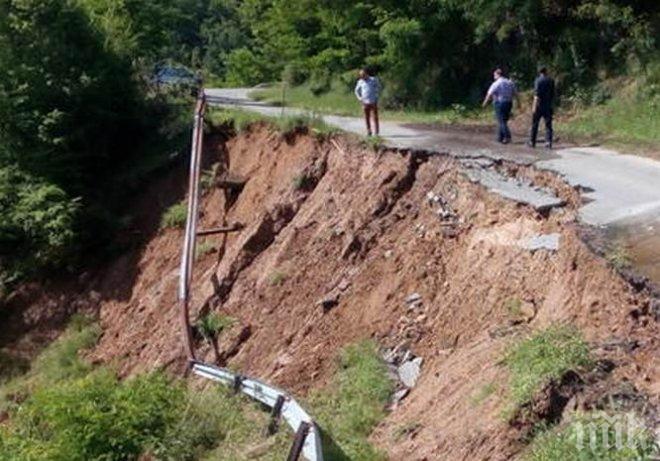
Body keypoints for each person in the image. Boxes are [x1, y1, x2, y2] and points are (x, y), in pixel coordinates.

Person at [482, 68, 519, 144]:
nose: (494, 77)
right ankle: (500, 137)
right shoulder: (510, 82)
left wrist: (485, 103)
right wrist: (519, 103)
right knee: (504, 121)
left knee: (501, 121)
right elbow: (515, 93)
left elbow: (489, 94)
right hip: (509, 103)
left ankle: (507, 136)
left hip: (500, 103)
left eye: (494, 75)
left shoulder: (496, 83)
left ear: (498, 75)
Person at [528, 66, 555, 149]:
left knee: (535, 124)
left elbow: (537, 95)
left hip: (539, 106)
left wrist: (534, 106)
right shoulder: (551, 80)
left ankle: (532, 141)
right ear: (546, 71)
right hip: (548, 105)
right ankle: (548, 142)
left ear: (539, 72)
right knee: (548, 125)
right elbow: (553, 94)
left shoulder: (538, 81)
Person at [354, 68, 381, 136]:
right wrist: (359, 98)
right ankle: (369, 131)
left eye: (363, 75)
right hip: (364, 102)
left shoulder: (373, 79)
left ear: (366, 74)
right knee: (366, 117)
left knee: (375, 117)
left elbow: (379, 87)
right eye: (361, 75)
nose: (362, 76)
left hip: (373, 101)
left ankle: (376, 132)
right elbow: (356, 90)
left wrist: (376, 95)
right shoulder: (360, 81)